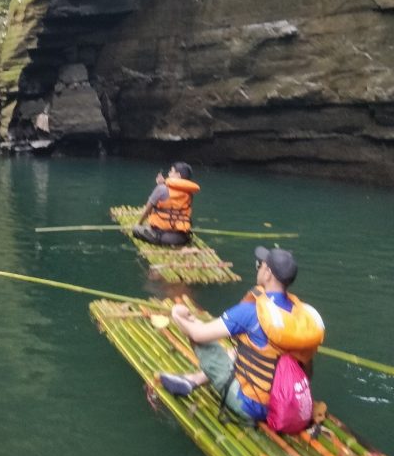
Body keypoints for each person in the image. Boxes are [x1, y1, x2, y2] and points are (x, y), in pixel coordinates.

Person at [157, 246, 324, 424]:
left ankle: (196, 381)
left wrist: (178, 315)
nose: (258, 267)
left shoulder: (250, 312)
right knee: (240, 351)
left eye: (261, 265)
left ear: (268, 274)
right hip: (283, 402)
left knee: (200, 337)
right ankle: (194, 380)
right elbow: (307, 370)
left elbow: (198, 335)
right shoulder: (301, 318)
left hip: (251, 405)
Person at [132, 162, 200, 247]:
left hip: (163, 237)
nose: (168, 173)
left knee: (136, 230)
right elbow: (174, 200)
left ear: (178, 175)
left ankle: (154, 237)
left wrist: (139, 223)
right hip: (182, 237)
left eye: (171, 171)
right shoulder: (190, 193)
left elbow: (147, 211)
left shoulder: (161, 189)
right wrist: (162, 184)